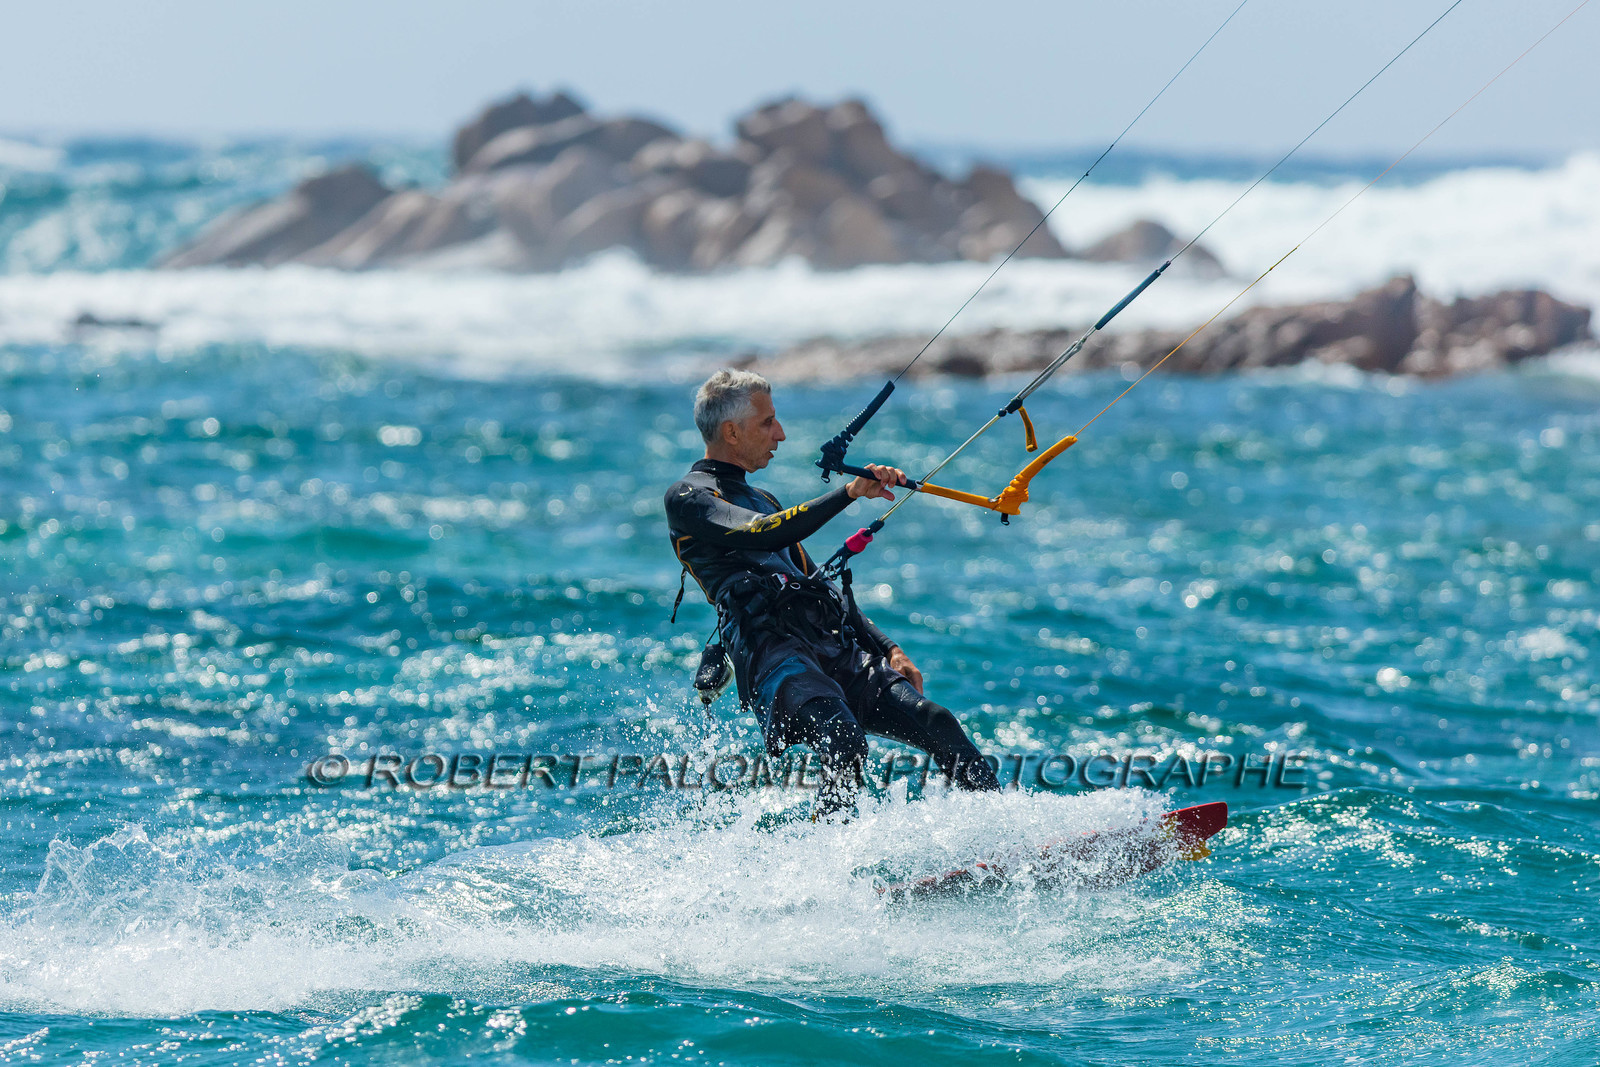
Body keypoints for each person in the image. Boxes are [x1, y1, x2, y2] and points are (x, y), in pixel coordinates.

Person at [664, 369, 1000, 819]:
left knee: (935, 721)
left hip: (826, 642)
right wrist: (851, 492)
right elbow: (759, 535)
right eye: (767, 423)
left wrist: (888, 648)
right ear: (731, 430)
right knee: (842, 737)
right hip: (771, 652)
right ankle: (827, 869)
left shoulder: (763, 496)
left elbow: (815, 583)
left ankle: (1002, 832)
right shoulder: (689, 497)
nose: (780, 434)